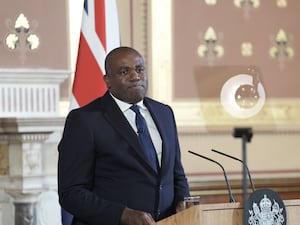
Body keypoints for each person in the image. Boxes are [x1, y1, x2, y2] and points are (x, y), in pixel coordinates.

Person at [58, 46, 190, 225]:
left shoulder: (164, 113)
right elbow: (71, 193)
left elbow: (176, 174)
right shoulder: (85, 120)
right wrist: (122, 215)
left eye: (139, 69)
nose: (135, 76)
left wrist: (183, 201)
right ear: (107, 80)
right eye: (124, 71)